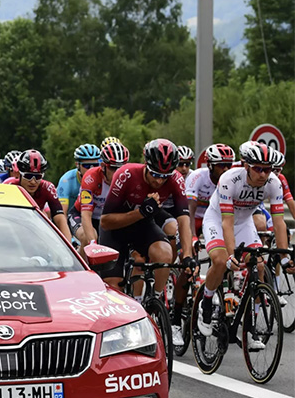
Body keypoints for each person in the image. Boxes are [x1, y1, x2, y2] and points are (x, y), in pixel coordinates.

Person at [196, 141, 292, 337]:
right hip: (218, 220)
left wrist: (284, 256)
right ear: (245, 165)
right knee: (221, 261)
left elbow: (280, 222)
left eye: (268, 169)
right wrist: (232, 255)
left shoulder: (274, 183)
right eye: (258, 169)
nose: (263, 174)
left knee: (258, 265)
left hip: (244, 222)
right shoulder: (229, 179)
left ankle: (250, 329)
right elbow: (227, 223)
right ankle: (206, 302)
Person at [97, 140, 195, 312]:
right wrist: (140, 213)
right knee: (113, 287)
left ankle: (155, 302)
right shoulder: (125, 174)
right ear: (146, 165)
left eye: (164, 176)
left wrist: (186, 255)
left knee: (165, 254)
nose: (158, 181)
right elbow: (105, 221)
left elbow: (184, 220)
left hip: (143, 226)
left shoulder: (175, 179)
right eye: (155, 174)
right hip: (115, 229)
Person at [71, 138, 130, 247]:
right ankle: (83, 263)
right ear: (103, 166)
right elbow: (86, 214)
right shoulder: (91, 177)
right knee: (88, 237)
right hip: (81, 215)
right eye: (113, 168)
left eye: (121, 168)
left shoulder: (127, 177)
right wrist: (93, 244)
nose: (118, 173)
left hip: (104, 219)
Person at [3, 150, 71, 240]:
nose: (33, 181)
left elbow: (60, 219)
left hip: (34, 226)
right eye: (28, 176)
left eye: (38, 177)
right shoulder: (10, 186)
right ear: (20, 174)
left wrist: (68, 246)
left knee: (44, 216)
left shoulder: (47, 187)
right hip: (12, 225)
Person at [185, 143, 234, 239]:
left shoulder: (232, 180)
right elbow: (190, 208)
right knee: (186, 244)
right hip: (195, 218)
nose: (226, 169)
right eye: (221, 165)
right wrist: (193, 237)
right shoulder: (197, 176)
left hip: (215, 219)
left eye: (229, 165)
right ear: (209, 165)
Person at [56, 144, 101, 215]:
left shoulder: (103, 179)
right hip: (69, 218)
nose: (91, 169)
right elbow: (62, 214)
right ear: (77, 165)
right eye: (87, 166)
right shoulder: (66, 180)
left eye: (95, 165)